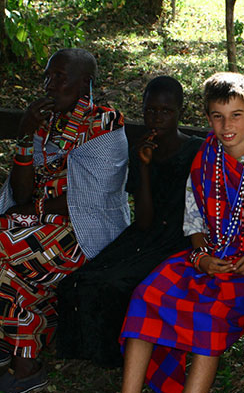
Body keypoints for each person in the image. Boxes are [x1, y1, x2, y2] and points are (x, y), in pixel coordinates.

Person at [0, 48, 129, 393]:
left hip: (80, 233)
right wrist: (24, 137)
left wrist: (33, 207)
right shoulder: (46, 121)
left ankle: (26, 362)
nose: (50, 85)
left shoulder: (106, 123)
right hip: (36, 225)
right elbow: (20, 191)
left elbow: (92, 201)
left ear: (85, 83)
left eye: (60, 77)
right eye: (48, 76)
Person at [101, 72, 244, 393]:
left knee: (209, 316)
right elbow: (194, 221)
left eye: (236, 115)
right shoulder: (206, 155)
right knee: (148, 293)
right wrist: (201, 257)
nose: (227, 126)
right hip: (210, 255)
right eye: (218, 117)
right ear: (208, 118)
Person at [56, 76, 204, 367]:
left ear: (180, 113)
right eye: (151, 110)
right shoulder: (140, 151)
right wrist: (145, 169)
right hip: (146, 233)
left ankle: (121, 357)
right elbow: (145, 220)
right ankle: (87, 350)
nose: (157, 118)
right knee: (82, 279)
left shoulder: (197, 152)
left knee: (119, 284)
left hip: (183, 237)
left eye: (166, 111)